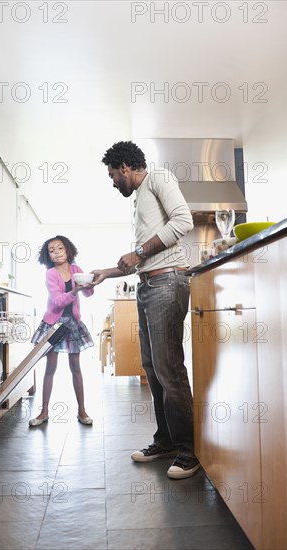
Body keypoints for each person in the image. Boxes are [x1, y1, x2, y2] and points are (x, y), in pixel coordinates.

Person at [92, 141, 200, 479]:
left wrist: (138, 253)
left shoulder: (158, 178)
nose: (112, 182)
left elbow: (184, 221)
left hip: (168, 284)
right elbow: (140, 258)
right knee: (153, 368)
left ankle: (189, 450)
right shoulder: (140, 199)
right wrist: (106, 273)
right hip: (149, 285)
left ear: (125, 167)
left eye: (113, 175)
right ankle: (165, 440)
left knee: (169, 368)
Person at [29, 235, 94, 427]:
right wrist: (74, 291)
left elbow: (89, 294)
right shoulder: (50, 273)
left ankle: (82, 411)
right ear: (47, 255)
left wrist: (90, 284)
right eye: (52, 250)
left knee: (76, 368)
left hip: (73, 323)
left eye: (60, 248)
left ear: (68, 250)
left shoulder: (76, 270)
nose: (56, 253)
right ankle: (44, 412)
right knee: (50, 368)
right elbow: (57, 301)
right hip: (53, 324)